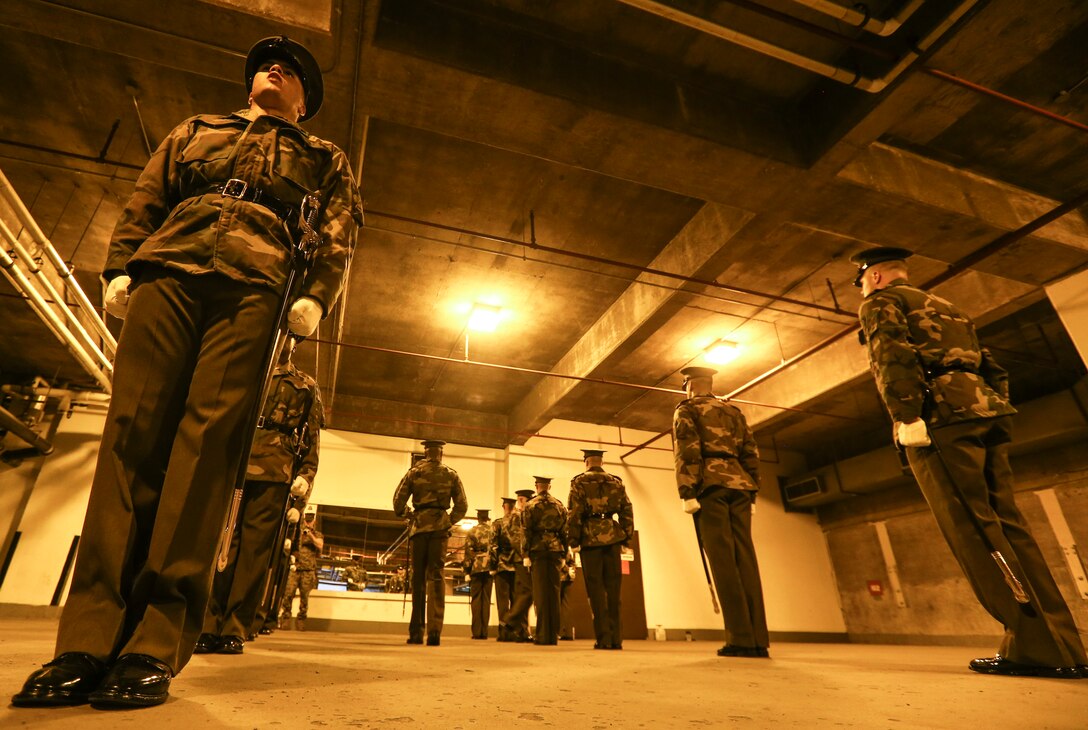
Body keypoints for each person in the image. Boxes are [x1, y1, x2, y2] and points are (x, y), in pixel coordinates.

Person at [12, 35, 361, 710]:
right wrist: (119, 266)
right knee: (128, 441)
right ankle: (84, 643)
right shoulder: (195, 130)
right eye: (264, 62)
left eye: (288, 70)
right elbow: (148, 197)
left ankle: (151, 645)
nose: (272, 69)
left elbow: (342, 233)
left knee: (205, 454)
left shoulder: (322, 158)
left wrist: (318, 292)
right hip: (169, 269)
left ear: (304, 99)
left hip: (255, 285)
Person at [852, 247, 1087, 679]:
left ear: (877, 277)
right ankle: (1066, 644)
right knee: (1009, 525)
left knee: (973, 528)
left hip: (941, 415)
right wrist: (994, 404)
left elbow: (891, 356)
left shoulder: (881, 302)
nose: (862, 289)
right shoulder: (947, 306)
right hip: (985, 410)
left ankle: (1036, 648)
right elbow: (991, 363)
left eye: (862, 281)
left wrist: (907, 416)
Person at [195, 334, 322, 655]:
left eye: (291, 337)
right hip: (234, 463)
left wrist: (305, 476)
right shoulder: (245, 372)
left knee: (255, 552)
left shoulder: (305, 385)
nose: (284, 341)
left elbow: (312, 436)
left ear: (296, 343)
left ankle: (236, 627)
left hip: (276, 470)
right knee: (223, 547)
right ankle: (208, 624)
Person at [673, 366, 769, 659]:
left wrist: (687, 491)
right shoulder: (733, 411)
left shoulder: (686, 410)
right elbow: (751, 450)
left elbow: (687, 450)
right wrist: (753, 489)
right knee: (746, 560)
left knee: (723, 562)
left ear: (689, 385)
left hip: (710, 485)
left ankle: (740, 639)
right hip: (740, 484)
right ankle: (758, 639)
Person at [392, 439, 468, 646]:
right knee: (436, 577)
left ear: (426, 453)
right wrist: (446, 521)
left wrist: (411, 516)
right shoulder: (451, 474)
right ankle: (435, 632)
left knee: (417, 580)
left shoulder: (414, 472)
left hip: (419, 529)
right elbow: (462, 505)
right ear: (441, 453)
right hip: (439, 531)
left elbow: (398, 502)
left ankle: (416, 632)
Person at [567, 449, 634, 650]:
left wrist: (573, 540)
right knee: (614, 589)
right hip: (612, 538)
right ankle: (616, 639)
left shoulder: (579, 483)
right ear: (601, 462)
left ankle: (603, 638)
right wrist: (625, 536)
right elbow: (627, 510)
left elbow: (575, 513)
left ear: (586, 461)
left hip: (590, 539)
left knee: (595, 591)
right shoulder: (616, 482)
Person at [522, 477, 568, 646]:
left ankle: (542, 635)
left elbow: (526, 531)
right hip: (556, 550)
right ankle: (553, 635)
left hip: (538, 550)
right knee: (554, 593)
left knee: (540, 593)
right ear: (549, 486)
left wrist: (525, 554)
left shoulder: (530, 505)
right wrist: (565, 554)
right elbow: (565, 532)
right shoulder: (559, 505)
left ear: (536, 487)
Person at [499, 488, 537, 642]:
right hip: (521, 559)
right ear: (522, 500)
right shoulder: (516, 516)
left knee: (523, 594)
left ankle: (521, 631)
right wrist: (526, 555)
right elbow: (515, 539)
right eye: (526, 500)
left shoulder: (525, 515)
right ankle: (509, 620)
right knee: (527, 593)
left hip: (523, 558)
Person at [279, 508, 324, 630]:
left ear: (314, 521)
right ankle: (285, 619)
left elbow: (320, 545)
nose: (308, 523)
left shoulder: (317, 534)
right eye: (306, 520)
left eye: (310, 520)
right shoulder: (296, 532)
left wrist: (310, 535)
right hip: (295, 569)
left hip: (308, 571)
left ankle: (301, 620)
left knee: (305, 598)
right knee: (288, 595)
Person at [489, 497, 519, 641]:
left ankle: (503, 633)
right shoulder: (520, 522)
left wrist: (492, 566)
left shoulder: (498, 524)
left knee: (502, 602)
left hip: (502, 566)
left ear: (503, 507)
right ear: (514, 507)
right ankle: (516, 631)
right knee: (516, 601)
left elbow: (493, 546)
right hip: (517, 567)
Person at [463, 508, 495, 639]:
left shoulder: (472, 531)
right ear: (487, 518)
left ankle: (476, 632)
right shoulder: (492, 531)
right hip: (489, 568)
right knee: (486, 600)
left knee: (476, 600)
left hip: (476, 568)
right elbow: (494, 550)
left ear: (478, 518)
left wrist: (466, 571)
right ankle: (485, 632)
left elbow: (468, 552)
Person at [558, 547, 576, 641]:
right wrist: (571, 572)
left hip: (558, 577)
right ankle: (567, 632)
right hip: (568, 578)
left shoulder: (558, 545)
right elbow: (572, 562)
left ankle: (557, 631)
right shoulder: (569, 547)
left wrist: (567, 570)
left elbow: (560, 563)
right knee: (566, 605)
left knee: (556, 605)